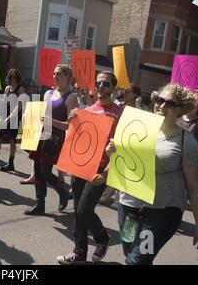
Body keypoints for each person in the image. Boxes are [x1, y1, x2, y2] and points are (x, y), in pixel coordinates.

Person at [107, 83, 198, 265]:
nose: (161, 106)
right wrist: (112, 153)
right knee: (131, 254)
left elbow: (194, 188)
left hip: (161, 212)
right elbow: (124, 163)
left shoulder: (186, 141)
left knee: (137, 261)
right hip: (128, 205)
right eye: (159, 100)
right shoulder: (137, 128)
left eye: (169, 103)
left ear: (180, 109)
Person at [56, 71, 122, 264]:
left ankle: (102, 239)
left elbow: (122, 146)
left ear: (113, 88)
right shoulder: (87, 109)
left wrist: (106, 171)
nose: (101, 86)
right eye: (98, 82)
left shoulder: (119, 113)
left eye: (106, 84)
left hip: (100, 171)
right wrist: (73, 119)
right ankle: (79, 252)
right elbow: (76, 136)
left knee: (85, 210)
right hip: (80, 167)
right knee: (77, 210)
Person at [24, 64, 77, 215]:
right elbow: (39, 115)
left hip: (54, 138)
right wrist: (29, 116)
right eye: (54, 74)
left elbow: (69, 126)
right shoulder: (48, 93)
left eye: (59, 74)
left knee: (45, 171)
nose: (55, 76)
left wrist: (50, 121)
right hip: (40, 134)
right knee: (37, 170)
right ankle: (40, 204)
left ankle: (63, 192)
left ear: (68, 77)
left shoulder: (71, 97)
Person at [0, 69, 26, 172]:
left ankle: (10, 163)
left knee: (12, 140)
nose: (12, 79)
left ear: (17, 78)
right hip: (4, 116)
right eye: (10, 77)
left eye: (14, 77)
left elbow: (19, 106)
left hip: (14, 118)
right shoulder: (7, 88)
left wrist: (9, 118)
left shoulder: (20, 89)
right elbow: (3, 102)